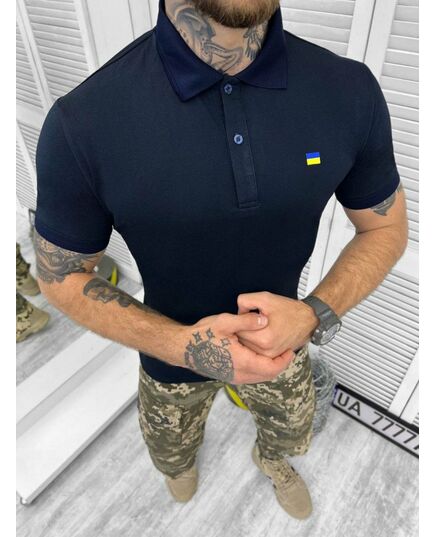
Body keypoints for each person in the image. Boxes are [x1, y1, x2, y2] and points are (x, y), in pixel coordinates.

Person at [32, 0, 408, 520]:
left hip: (284, 342)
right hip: (168, 354)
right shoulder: (84, 121)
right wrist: (182, 348)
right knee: (170, 453)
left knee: (292, 436)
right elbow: (60, 276)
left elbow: (385, 227)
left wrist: (315, 313)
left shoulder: (348, 90)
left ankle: (271, 461)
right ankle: (180, 467)